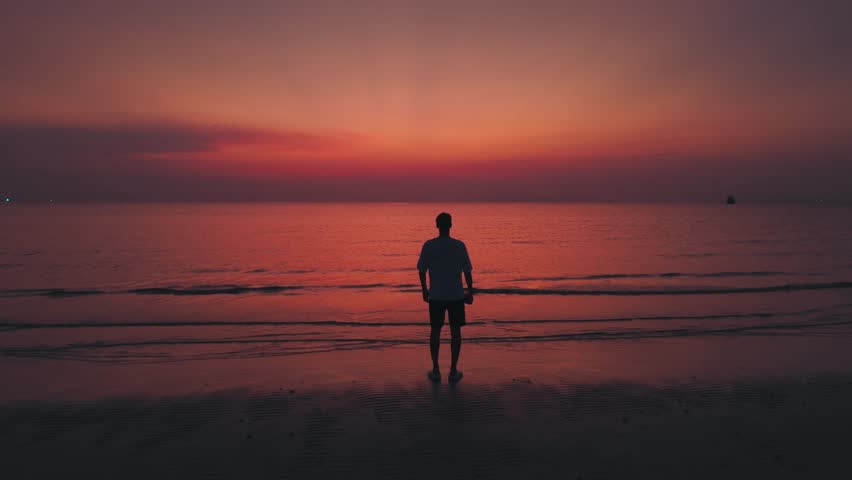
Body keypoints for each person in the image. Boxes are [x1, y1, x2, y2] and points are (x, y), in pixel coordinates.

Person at [417, 212, 473, 384]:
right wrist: (470, 291)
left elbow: (422, 270)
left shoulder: (429, 245)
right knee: (456, 332)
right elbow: (467, 271)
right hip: (456, 295)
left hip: (436, 295)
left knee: (435, 331)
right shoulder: (459, 246)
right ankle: (453, 371)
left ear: (437, 225)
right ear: (450, 225)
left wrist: (424, 290)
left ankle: (436, 370)